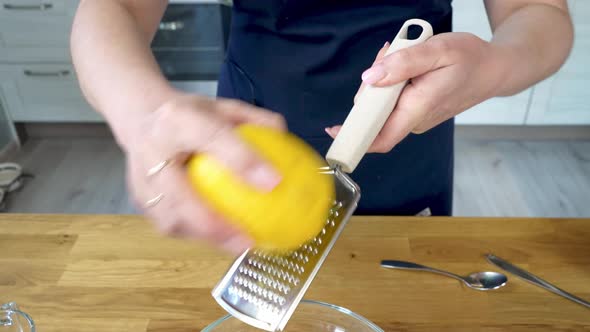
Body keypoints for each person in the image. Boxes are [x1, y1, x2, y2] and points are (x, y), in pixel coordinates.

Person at [70, 1, 573, 253]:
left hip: (410, 129)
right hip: (254, 133)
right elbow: (112, 9)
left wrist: (494, 64)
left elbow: (540, 12)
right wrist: (144, 115)